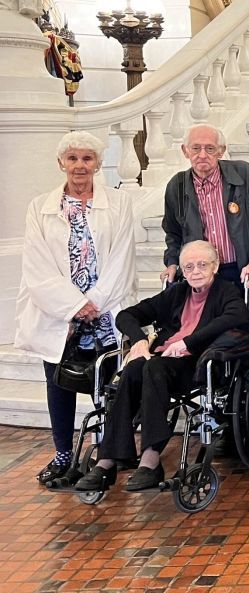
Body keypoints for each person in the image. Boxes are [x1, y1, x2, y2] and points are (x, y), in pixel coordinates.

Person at [74, 241, 249, 492]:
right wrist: (138, 340)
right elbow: (127, 315)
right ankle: (107, 461)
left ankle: (150, 460)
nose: (196, 271)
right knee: (134, 369)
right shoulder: (177, 293)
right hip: (161, 364)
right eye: (189, 266)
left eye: (203, 264)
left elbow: (237, 316)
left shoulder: (226, 291)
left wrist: (188, 342)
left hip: (197, 364)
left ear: (216, 266)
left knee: (151, 368)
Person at [16, 131, 137, 486]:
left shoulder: (119, 203)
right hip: (60, 314)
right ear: (60, 164)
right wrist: (72, 306)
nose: (79, 166)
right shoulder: (40, 206)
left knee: (109, 383)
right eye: (72, 159)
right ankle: (63, 455)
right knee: (59, 383)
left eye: (87, 158)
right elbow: (36, 265)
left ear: (98, 164)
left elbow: (121, 258)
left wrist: (95, 301)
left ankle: (106, 454)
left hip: (106, 307)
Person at [160, 124, 249, 321]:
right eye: (196, 148)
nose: (202, 155)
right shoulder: (177, 186)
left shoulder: (244, 174)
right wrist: (172, 263)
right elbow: (173, 234)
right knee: (208, 337)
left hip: (243, 270)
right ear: (185, 151)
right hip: (203, 275)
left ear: (221, 151)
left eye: (210, 148)